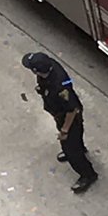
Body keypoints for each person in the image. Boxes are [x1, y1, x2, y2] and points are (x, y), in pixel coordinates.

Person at [21, 52, 98, 193]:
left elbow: (72, 109)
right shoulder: (49, 67)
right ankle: (80, 148)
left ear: (36, 70)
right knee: (75, 141)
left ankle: (88, 174)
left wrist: (64, 131)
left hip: (69, 118)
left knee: (71, 149)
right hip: (59, 113)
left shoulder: (60, 86)